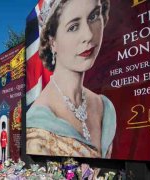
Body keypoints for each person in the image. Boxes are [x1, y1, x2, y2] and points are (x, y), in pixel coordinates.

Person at [26, 0, 116, 158]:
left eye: (94, 16)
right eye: (73, 27)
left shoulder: (104, 106)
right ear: (52, 42)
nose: (88, 35)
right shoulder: (38, 124)